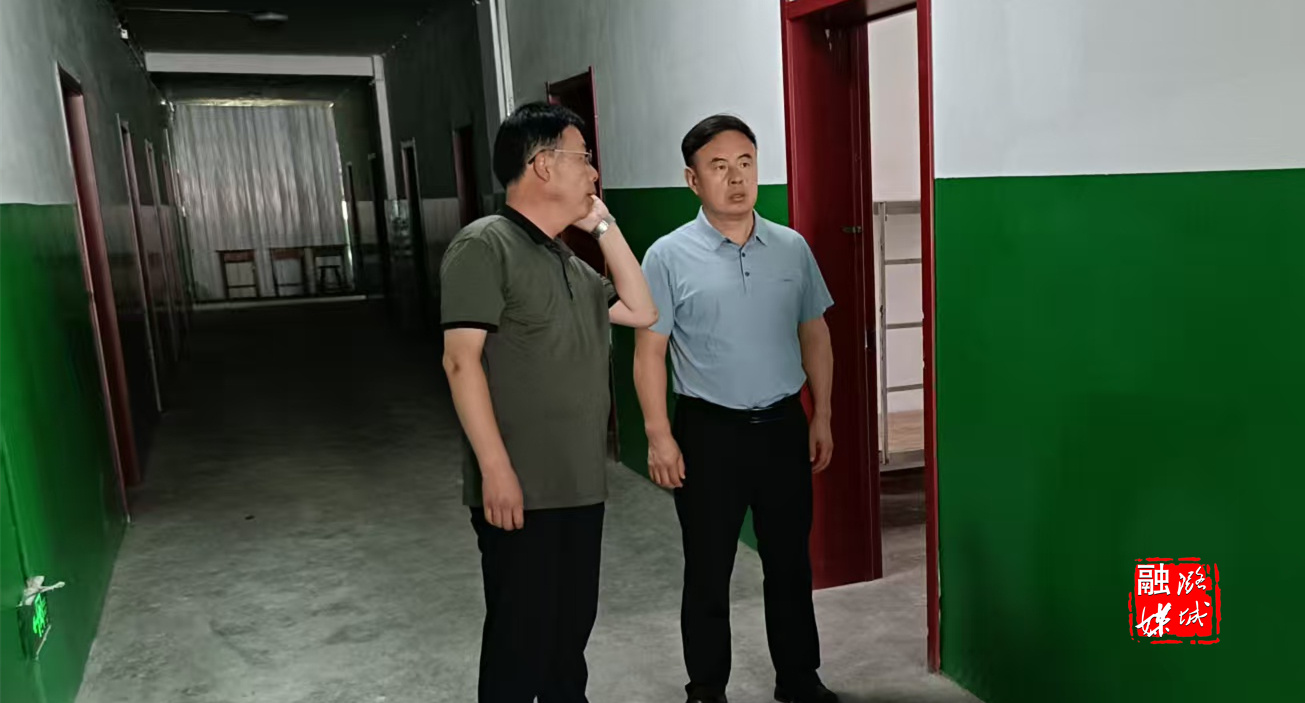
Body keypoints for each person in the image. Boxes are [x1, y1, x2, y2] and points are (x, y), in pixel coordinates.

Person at [440, 102, 658, 703]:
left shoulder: (568, 262)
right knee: (520, 641)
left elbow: (642, 310)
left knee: (569, 636)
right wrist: (496, 470)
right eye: (583, 158)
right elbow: (460, 362)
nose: (593, 172)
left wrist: (604, 227)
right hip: (520, 491)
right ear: (542, 165)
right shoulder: (484, 245)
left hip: (579, 484)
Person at [633, 115, 838, 703]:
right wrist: (658, 435)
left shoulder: (791, 248)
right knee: (708, 568)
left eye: (746, 163)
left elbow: (815, 334)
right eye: (719, 166)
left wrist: (821, 414)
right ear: (692, 180)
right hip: (708, 433)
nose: (737, 178)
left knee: (790, 564)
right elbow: (649, 353)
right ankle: (706, 687)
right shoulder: (667, 256)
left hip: (782, 427)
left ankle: (798, 678)